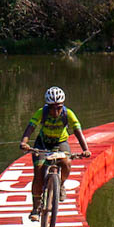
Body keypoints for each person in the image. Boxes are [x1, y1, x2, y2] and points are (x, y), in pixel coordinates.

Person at [21, 87, 91, 217]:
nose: (55, 111)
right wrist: (24, 142)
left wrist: (85, 149)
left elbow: (77, 131)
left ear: (62, 106)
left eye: (58, 107)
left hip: (60, 143)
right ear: (48, 106)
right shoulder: (41, 113)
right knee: (39, 172)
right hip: (43, 143)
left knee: (66, 163)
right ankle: (36, 208)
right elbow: (30, 127)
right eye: (52, 108)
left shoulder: (68, 113)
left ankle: (61, 184)